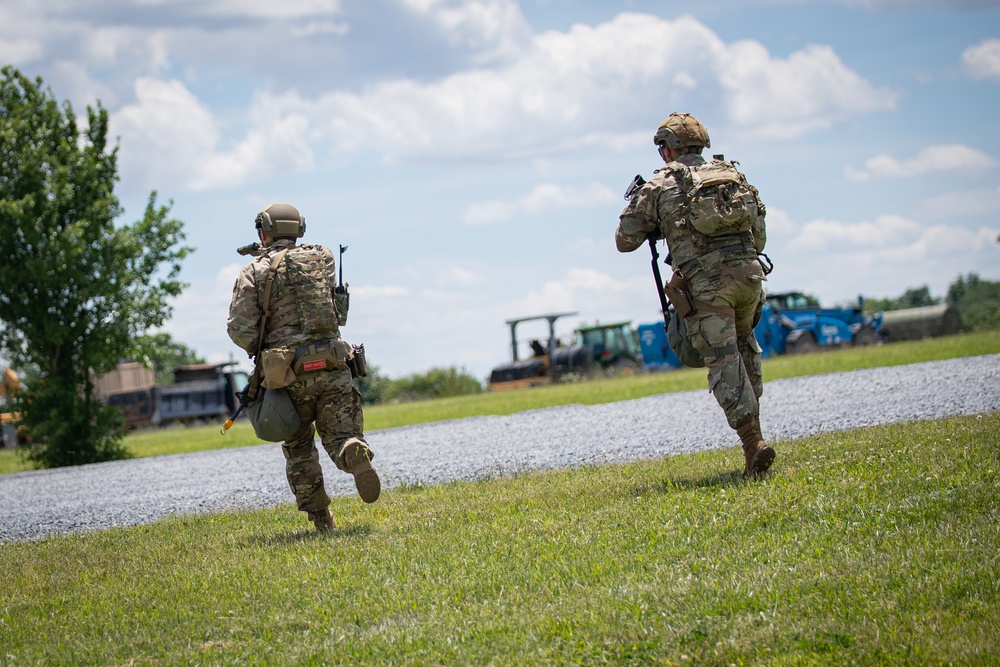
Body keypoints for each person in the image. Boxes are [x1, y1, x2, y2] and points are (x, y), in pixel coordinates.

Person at [615, 113, 775, 479]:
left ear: (665, 148)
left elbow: (624, 241)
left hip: (707, 287)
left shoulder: (660, 184)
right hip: (751, 279)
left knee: (722, 361)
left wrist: (661, 222)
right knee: (743, 351)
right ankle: (757, 441)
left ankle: (754, 445)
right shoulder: (733, 176)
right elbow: (760, 237)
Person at [228, 203, 380, 532]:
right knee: (341, 435)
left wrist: (260, 348)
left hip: (287, 375)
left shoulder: (253, 272)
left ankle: (322, 520)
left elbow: (239, 329)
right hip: (334, 364)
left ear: (263, 231)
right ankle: (351, 450)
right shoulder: (323, 257)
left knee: (298, 447)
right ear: (300, 229)